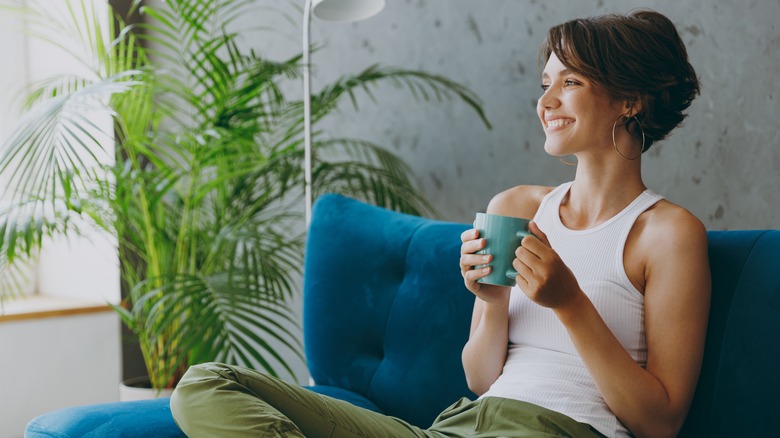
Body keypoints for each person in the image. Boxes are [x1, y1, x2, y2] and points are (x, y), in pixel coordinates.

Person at [170, 9, 710, 438]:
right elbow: (480, 380)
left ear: (630, 101)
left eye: (569, 82)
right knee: (204, 384)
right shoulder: (517, 207)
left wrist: (569, 302)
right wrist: (492, 301)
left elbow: (658, 423)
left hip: (557, 430)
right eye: (545, 83)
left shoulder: (666, 234)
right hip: (458, 426)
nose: (545, 102)